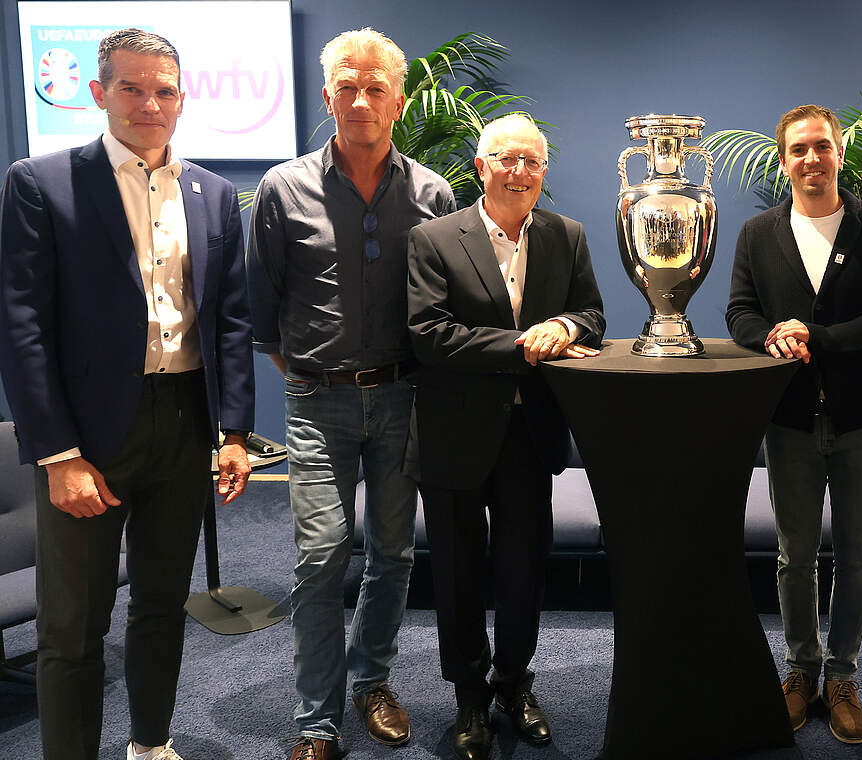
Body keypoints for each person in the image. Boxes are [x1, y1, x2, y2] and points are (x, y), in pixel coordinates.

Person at [0, 28, 254, 760]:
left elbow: (228, 318)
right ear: (99, 93)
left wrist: (233, 431)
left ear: (183, 96)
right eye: (132, 88)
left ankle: (151, 743)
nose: (151, 103)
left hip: (180, 423)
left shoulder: (211, 193)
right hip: (86, 437)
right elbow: (22, 328)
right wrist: (57, 454)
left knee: (161, 606)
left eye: (164, 89)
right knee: (73, 624)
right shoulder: (42, 182)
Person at [246, 28, 454, 760]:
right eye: (346, 86)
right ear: (328, 95)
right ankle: (315, 722)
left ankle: (372, 681)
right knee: (321, 556)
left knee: (394, 554)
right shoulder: (283, 188)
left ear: (397, 101)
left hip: (403, 400)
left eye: (375, 88)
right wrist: (309, 375)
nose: (360, 99)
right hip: (317, 402)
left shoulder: (432, 192)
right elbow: (261, 309)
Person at [406, 113, 604, 760]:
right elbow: (429, 334)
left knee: (523, 572)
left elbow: (592, 314)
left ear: (544, 173)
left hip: (531, 434)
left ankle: (514, 684)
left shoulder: (566, 235)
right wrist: (526, 342)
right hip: (454, 434)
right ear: (480, 167)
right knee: (459, 577)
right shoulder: (434, 239)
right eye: (506, 159)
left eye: (532, 161)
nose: (519, 171)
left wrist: (567, 329)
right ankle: (469, 698)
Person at [726, 104, 862, 745]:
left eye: (822, 147)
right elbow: (739, 313)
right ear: (784, 160)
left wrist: (820, 337)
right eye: (799, 149)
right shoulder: (758, 233)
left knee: (857, 557)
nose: (811, 159)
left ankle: (842, 677)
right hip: (789, 422)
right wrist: (771, 333)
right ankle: (800, 671)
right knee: (794, 554)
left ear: (840, 154)